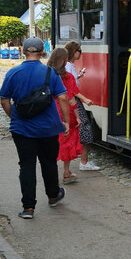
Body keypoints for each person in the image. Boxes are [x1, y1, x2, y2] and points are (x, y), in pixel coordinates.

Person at [0, 37, 69, 219]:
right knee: (49, 162)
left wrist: (14, 117)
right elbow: (63, 98)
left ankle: (28, 208)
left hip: (22, 129)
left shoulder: (13, 73)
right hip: (49, 128)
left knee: (26, 166)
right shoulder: (50, 73)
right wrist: (66, 121)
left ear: (23, 51)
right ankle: (53, 196)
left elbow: (4, 99)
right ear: (41, 52)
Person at [47, 46, 83, 183]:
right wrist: (77, 116)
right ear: (65, 60)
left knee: (51, 142)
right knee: (67, 141)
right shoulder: (67, 77)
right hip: (65, 112)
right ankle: (66, 172)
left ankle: (50, 172)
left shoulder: (46, 74)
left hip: (49, 111)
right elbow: (71, 98)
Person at [65, 40, 100, 171]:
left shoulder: (70, 66)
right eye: (79, 51)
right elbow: (71, 89)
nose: (81, 53)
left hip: (73, 101)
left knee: (77, 130)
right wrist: (85, 99)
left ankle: (79, 162)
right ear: (73, 52)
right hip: (73, 101)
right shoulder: (68, 66)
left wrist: (78, 76)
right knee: (85, 129)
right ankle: (84, 162)